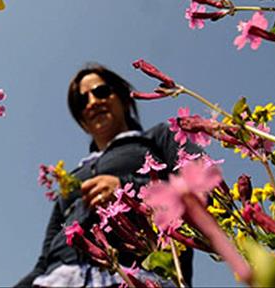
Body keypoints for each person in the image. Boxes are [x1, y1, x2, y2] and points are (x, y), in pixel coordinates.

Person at [17, 64, 202, 287]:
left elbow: (201, 185)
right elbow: (44, 261)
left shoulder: (159, 137)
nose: (92, 102)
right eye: (81, 101)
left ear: (124, 99)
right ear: (81, 120)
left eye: (101, 91)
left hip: (137, 277)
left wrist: (126, 189)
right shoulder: (72, 179)